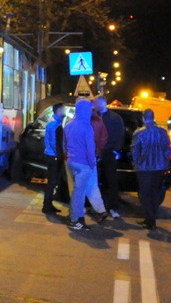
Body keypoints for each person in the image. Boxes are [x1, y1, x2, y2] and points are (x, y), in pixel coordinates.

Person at [63, 98, 108, 231]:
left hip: (72, 162)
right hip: (84, 164)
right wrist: (92, 163)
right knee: (80, 193)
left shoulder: (69, 124)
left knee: (77, 190)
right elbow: (90, 148)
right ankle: (76, 220)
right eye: (89, 109)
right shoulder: (87, 127)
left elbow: (64, 144)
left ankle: (73, 216)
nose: (90, 112)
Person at [131, 108, 171, 231]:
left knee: (145, 195)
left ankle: (149, 221)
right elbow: (167, 151)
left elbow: (134, 151)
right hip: (159, 168)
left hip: (144, 169)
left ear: (143, 118)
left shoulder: (139, 133)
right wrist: (165, 162)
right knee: (155, 194)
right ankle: (151, 219)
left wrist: (136, 163)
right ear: (153, 118)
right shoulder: (162, 132)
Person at [94, 96, 125, 219]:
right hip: (94, 152)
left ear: (103, 103)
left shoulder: (115, 118)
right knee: (93, 181)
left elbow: (120, 135)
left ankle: (113, 207)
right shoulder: (93, 116)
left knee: (111, 181)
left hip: (108, 152)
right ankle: (94, 206)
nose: (95, 105)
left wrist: (115, 150)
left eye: (97, 103)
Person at [42, 103, 66, 214]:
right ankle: (47, 206)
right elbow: (55, 143)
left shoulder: (54, 123)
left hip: (52, 155)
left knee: (52, 182)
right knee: (52, 182)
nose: (64, 111)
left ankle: (48, 205)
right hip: (54, 157)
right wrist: (59, 156)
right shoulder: (55, 125)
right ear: (58, 111)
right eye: (63, 109)